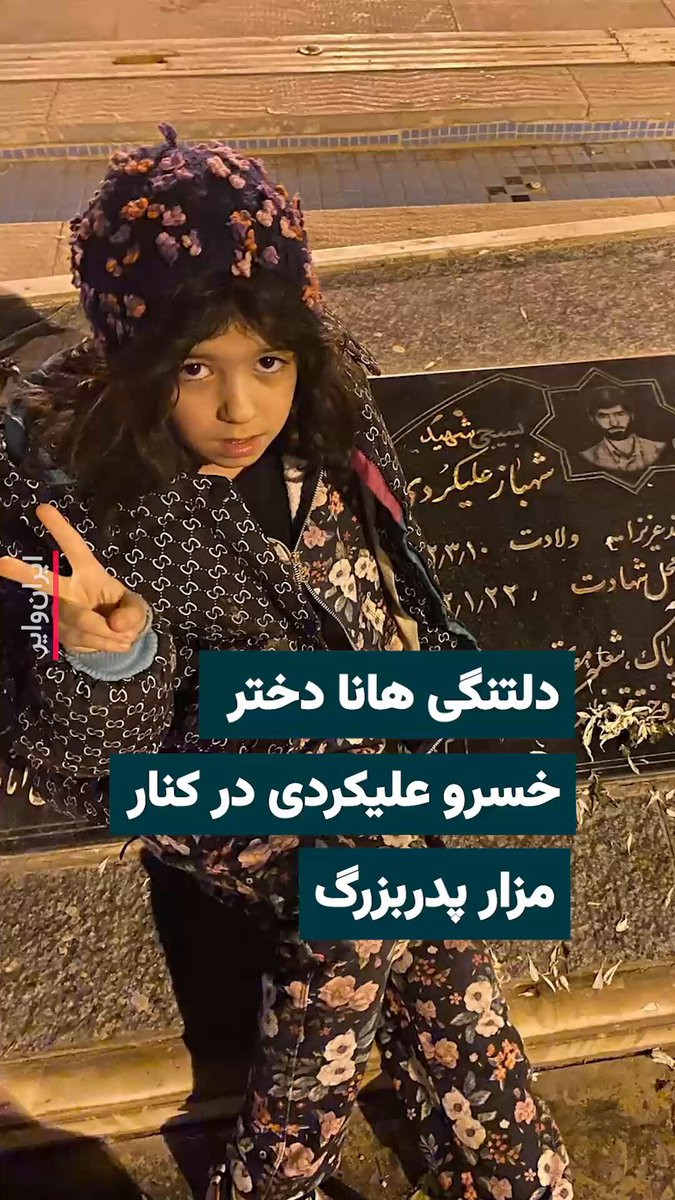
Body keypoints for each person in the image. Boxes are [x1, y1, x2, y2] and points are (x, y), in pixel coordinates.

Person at [0, 125, 571, 1200]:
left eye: (267, 360)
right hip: (201, 764)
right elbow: (87, 757)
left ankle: (508, 1181)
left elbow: (396, 579)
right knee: (378, 891)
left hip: (360, 748)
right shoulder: (87, 490)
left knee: (423, 919)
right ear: (140, 365)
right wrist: (109, 652)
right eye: (195, 370)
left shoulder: (330, 408)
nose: (239, 408)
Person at [579, 386, 666, 474]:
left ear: (631, 415)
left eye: (620, 414)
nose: (614, 423)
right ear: (592, 419)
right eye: (604, 416)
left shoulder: (659, 449)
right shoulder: (588, 457)